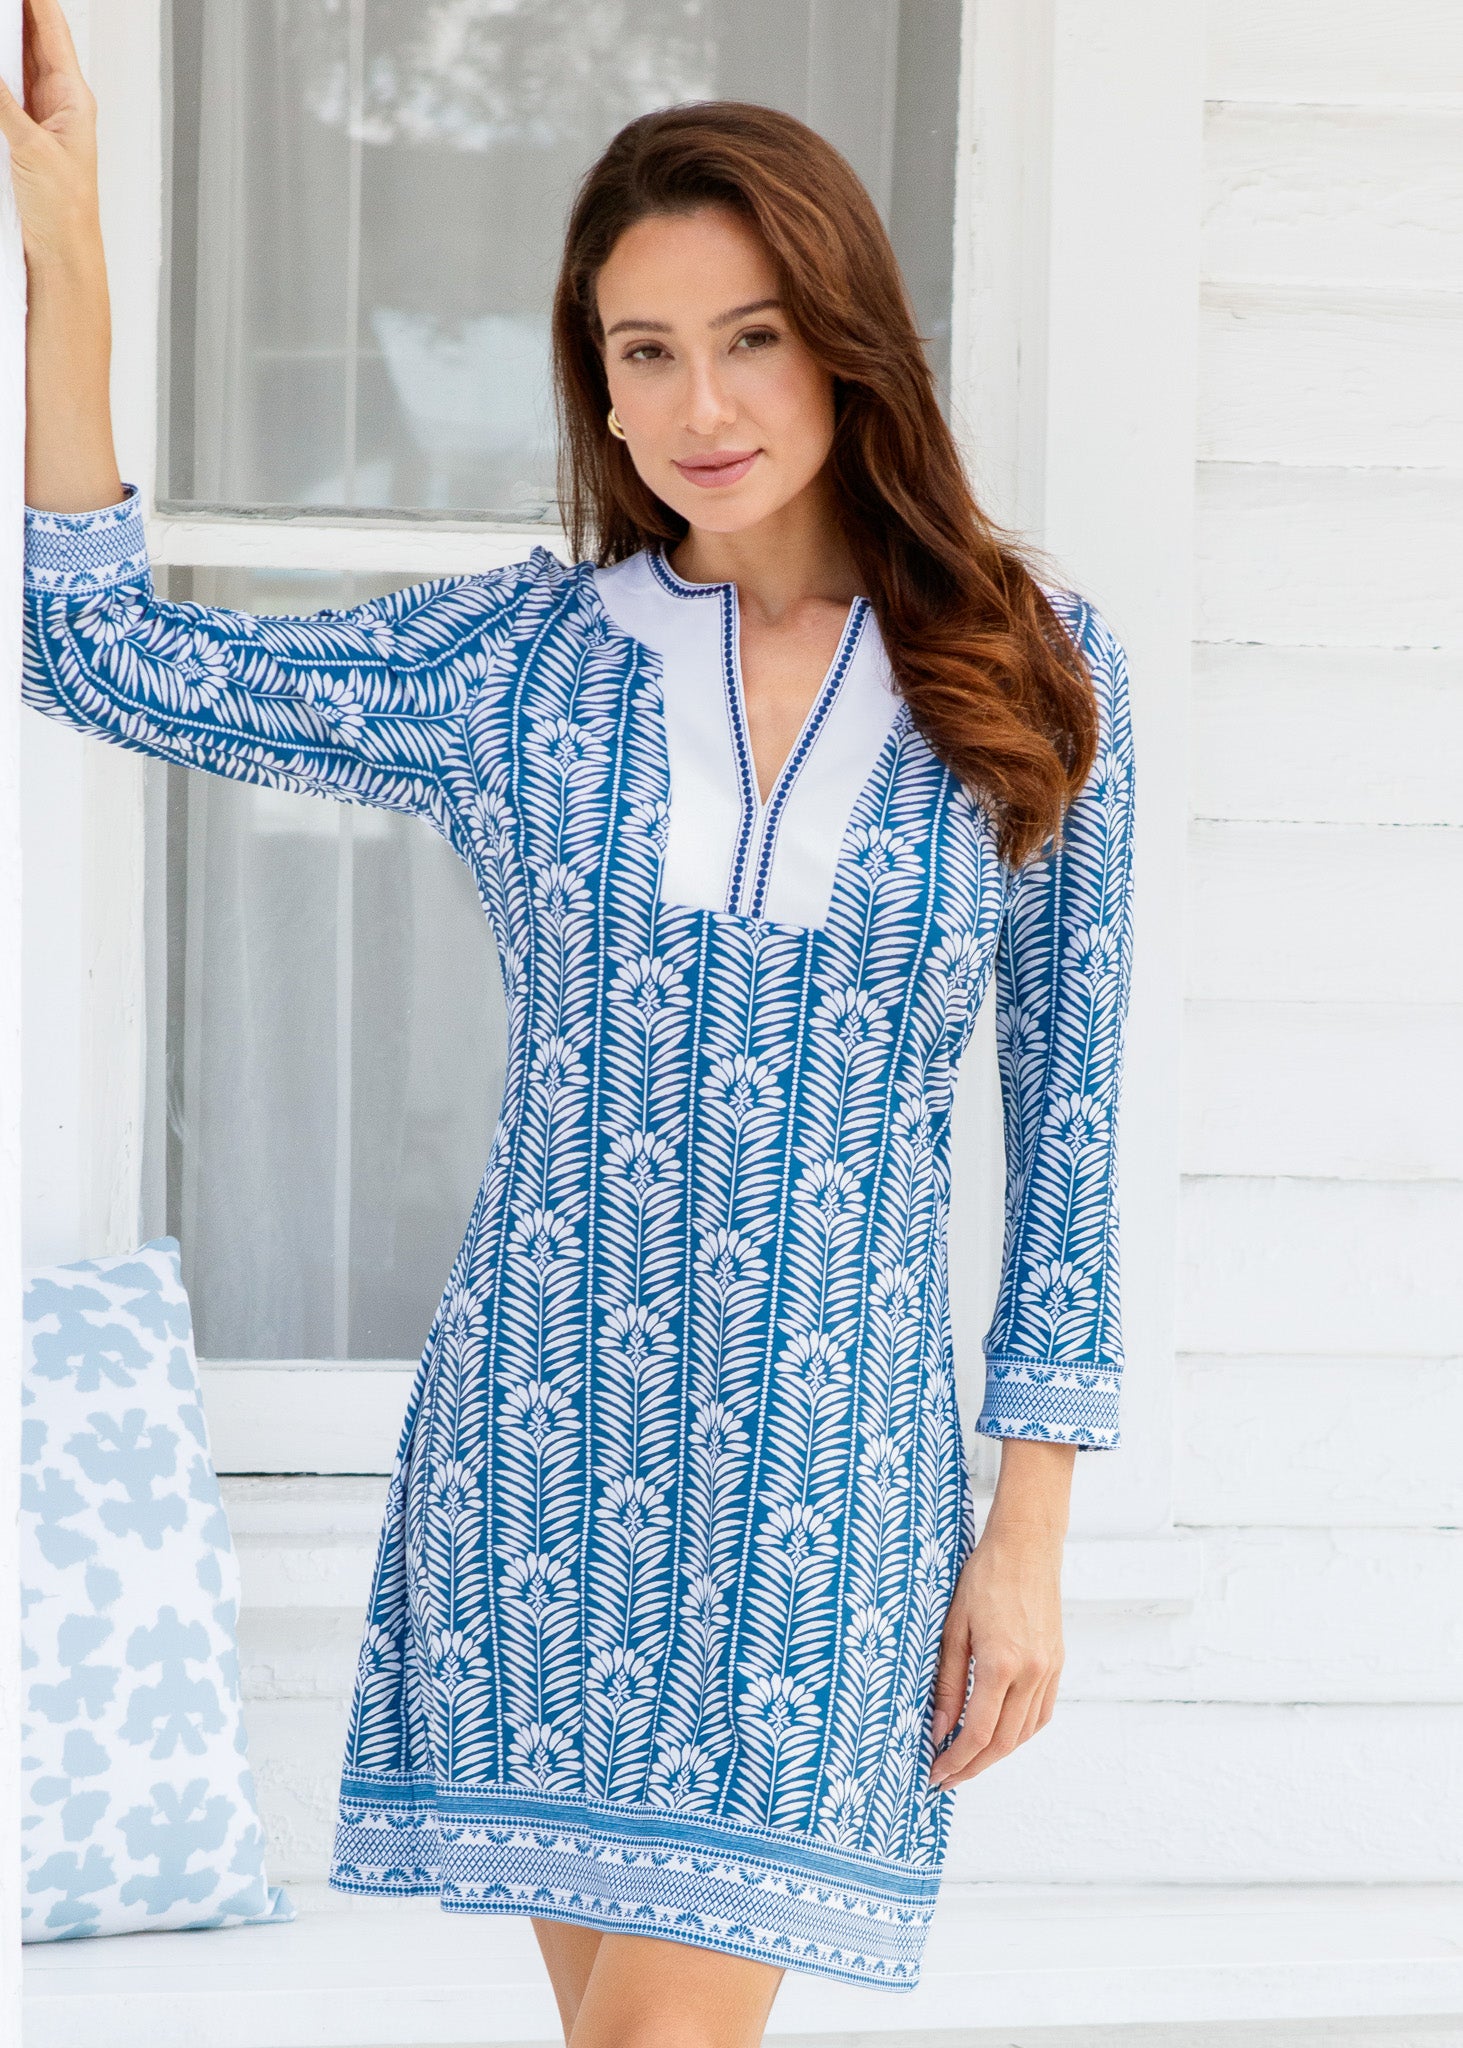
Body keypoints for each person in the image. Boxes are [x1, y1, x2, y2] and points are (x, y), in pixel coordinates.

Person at [6, 2, 1135, 2041]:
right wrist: (64, 237)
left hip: (832, 1499)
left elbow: (1072, 1132)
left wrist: (1026, 1537)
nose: (700, 399)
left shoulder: (1034, 671)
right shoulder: (519, 665)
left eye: (750, 334)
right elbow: (100, 655)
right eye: (643, 352)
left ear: (845, 336)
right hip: (543, 1472)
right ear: (595, 394)